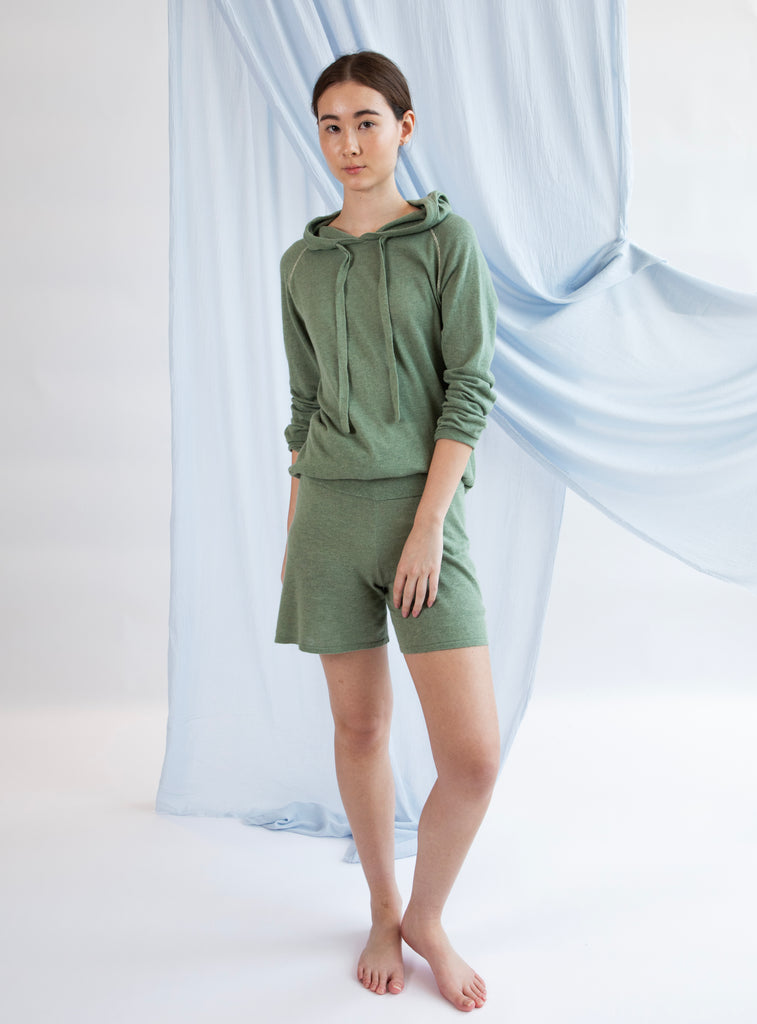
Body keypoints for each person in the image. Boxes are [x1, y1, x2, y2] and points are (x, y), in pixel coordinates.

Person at [275, 51, 500, 1013]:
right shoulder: (300, 263)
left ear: (404, 127)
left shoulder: (445, 243)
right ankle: (380, 909)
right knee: (360, 727)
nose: (348, 143)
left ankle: (426, 918)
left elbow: (469, 388)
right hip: (328, 515)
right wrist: (296, 534)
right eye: (331, 125)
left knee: (473, 759)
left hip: (422, 517)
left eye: (366, 121)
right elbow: (304, 408)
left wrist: (427, 526)